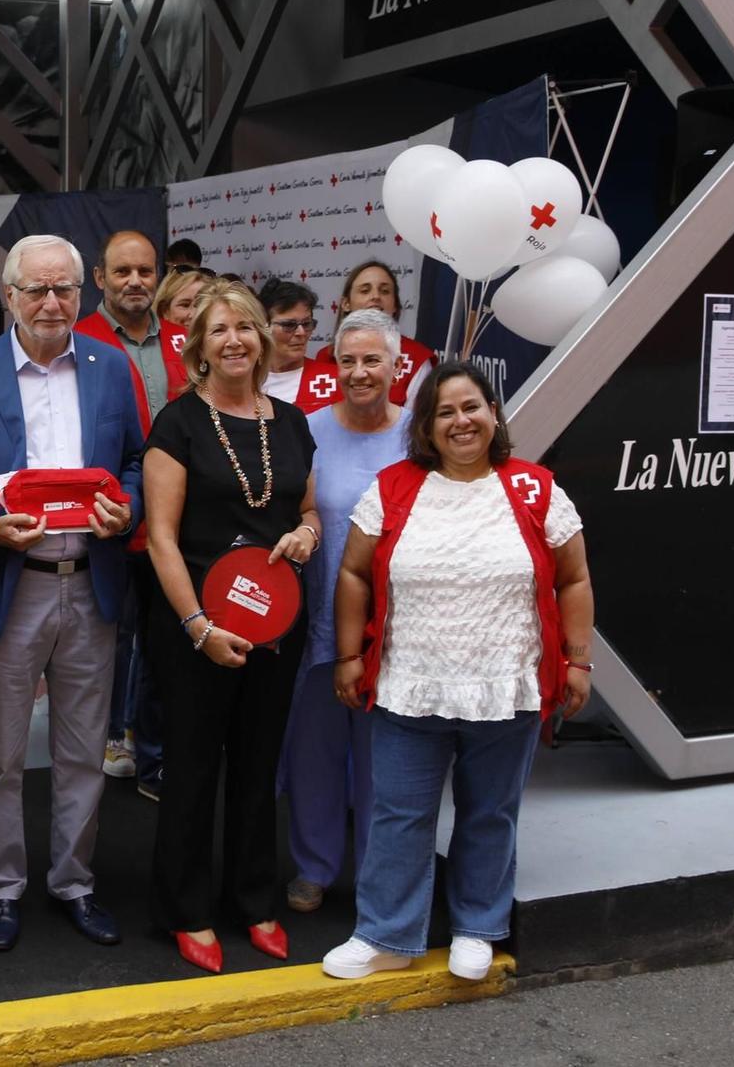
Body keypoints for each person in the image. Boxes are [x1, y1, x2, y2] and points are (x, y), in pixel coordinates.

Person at [320, 361, 594, 984]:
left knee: (490, 811)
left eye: (471, 407)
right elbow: (354, 573)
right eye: (445, 412)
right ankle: (387, 934)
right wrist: (348, 654)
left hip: (508, 685)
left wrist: (578, 661)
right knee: (397, 812)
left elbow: (574, 578)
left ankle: (476, 926)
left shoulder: (536, 489)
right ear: (427, 426)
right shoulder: (392, 488)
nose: (461, 421)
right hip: (409, 685)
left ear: (493, 414)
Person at [0, 234, 145, 954]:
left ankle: (74, 881)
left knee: (84, 752)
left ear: (83, 296)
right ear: (10, 297)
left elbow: (138, 463)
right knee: (1, 754)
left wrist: (129, 508)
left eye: (66, 289)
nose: (52, 302)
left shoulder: (112, 369)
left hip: (91, 582)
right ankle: (2, 886)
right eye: (37, 289)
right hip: (6, 585)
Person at [141, 279, 317, 973]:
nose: (236, 339)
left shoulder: (293, 422)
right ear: (199, 346)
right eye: (220, 330)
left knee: (257, 765)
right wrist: (197, 625)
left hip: (276, 623)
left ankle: (254, 899)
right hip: (195, 626)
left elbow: (308, 511)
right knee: (191, 767)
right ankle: (186, 909)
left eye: (246, 327)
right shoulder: (178, 422)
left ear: (263, 340)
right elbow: (159, 536)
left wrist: (306, 532)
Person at [280, 309, 410, 915]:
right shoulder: (303, 431)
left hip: (399, 632)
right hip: (317, 627)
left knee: (387, 764)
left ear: (396, 366)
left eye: (372, 360)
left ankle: (380, 877)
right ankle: (313, 867)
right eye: (347, 360)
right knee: (314, 756)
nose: (359, 372)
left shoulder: (420, 436)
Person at [76, 230, 184, 798]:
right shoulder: (77, 340)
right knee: (108, 642)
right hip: (109, 520)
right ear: (100, 278)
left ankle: (154, 756)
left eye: (146, 271)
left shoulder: (188, 341)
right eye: (123, 272)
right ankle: (102, 745)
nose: (136, 282)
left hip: (177, 526)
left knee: (167, 642)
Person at [313, 260, 435, 407]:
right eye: (365, 291)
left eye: (385, 291)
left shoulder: (417, 358)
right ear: (346, 303)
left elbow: (418, 425)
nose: (376, 296)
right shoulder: (325, 357)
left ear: (395, 304)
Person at [258, 280, 340, 415]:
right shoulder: (244, 382)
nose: (301, 333)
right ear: (263, 327)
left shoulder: (336, 379)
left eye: (307, 324)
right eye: (289, 325)